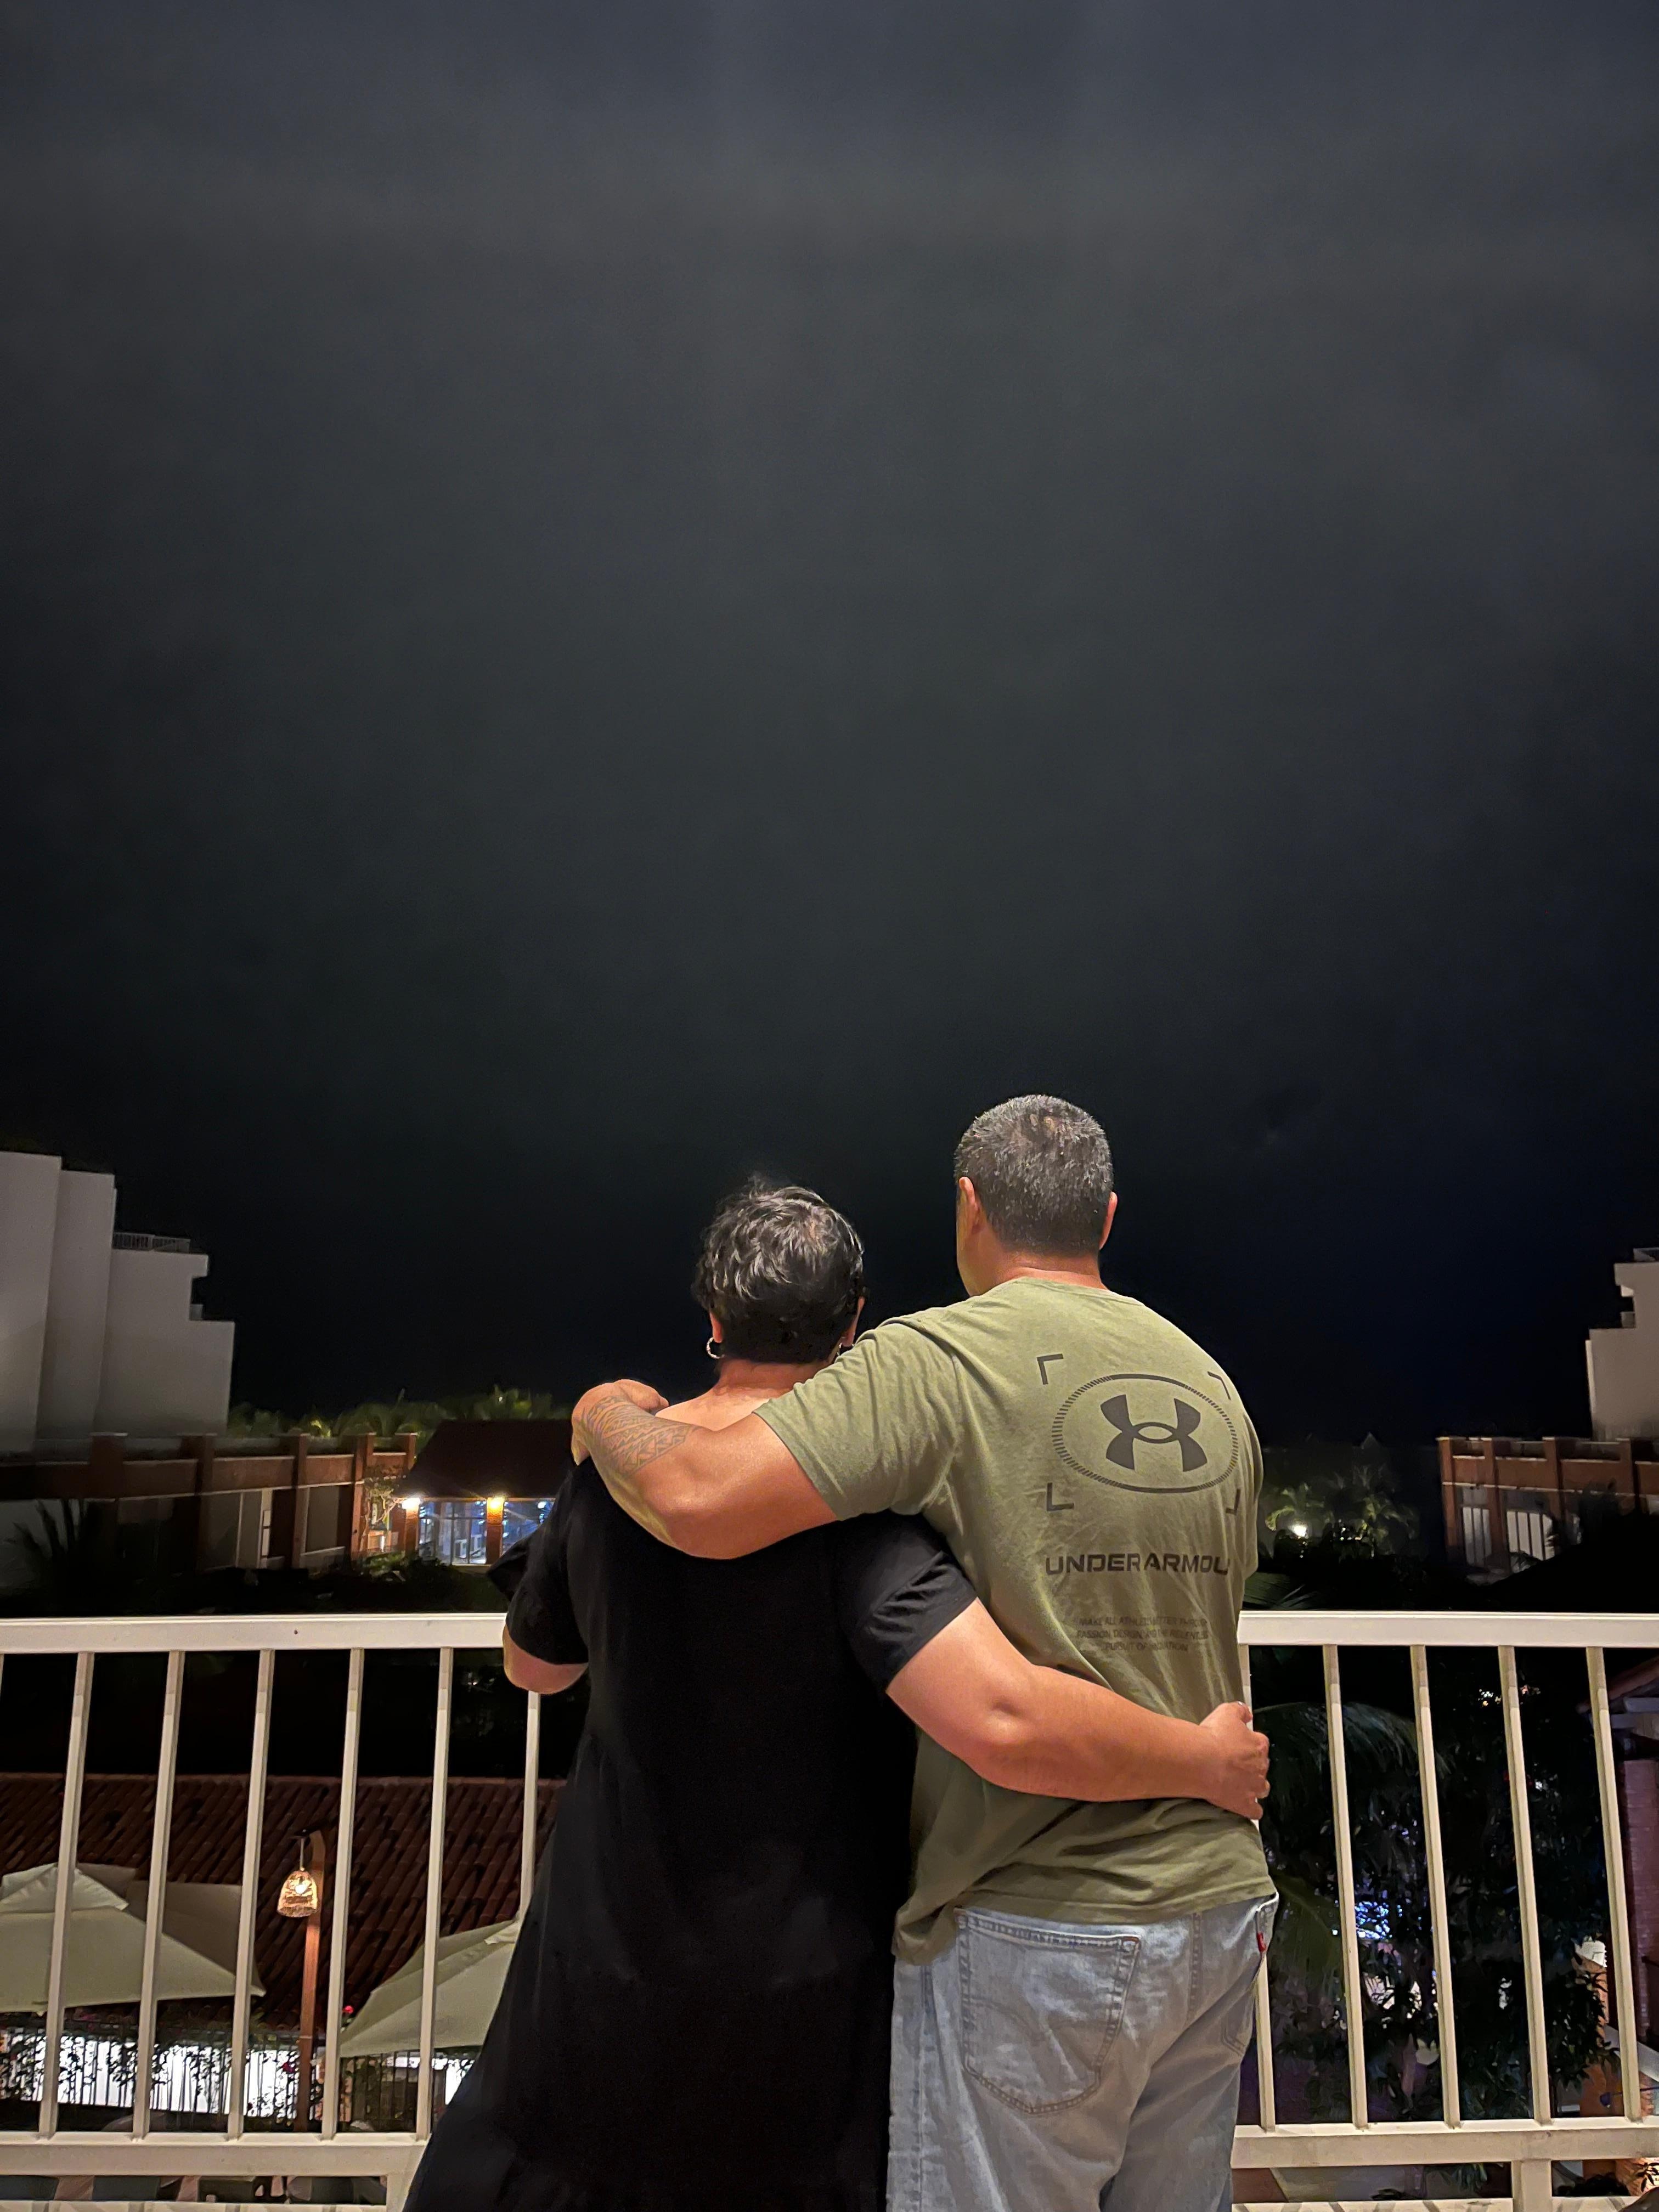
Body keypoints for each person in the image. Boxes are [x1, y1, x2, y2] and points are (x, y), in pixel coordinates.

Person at [410, 1180, 1267, 2212]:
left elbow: (534, 1667)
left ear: (714, 1319)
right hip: (806, 1970)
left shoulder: (611, 1482)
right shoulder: (870, 1519)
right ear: (854, 1323)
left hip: (604, 1943)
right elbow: (1000, 1716)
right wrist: (1202, 1758)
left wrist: (600, 1413)